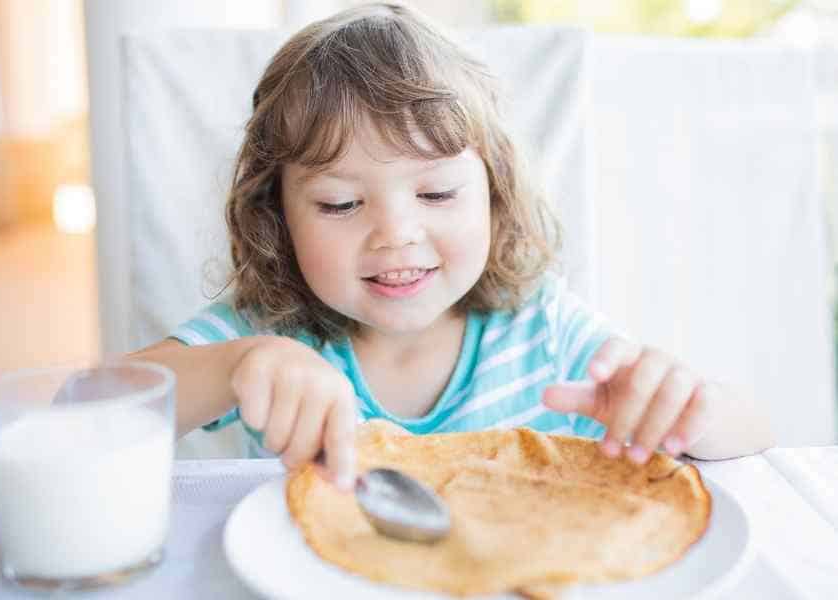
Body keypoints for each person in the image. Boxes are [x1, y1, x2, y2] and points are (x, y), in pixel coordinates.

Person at [130, 2, 773, 491]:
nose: (396, 233)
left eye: (436, 194)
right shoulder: (266, 334)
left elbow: (758, 438)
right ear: (276, 217)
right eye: (340, 204)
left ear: (493, 195)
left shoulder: (542, 328)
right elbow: (85, 412)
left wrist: (689, 408)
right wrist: (235, 366)